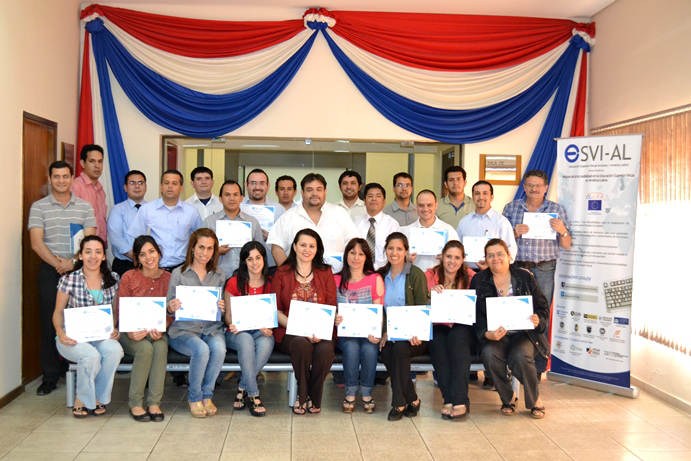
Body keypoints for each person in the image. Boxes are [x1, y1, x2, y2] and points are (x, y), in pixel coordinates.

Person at [29, 161, 97, 396]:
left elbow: (91, 242)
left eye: (65, 176)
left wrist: (73, 262)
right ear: (49, 179)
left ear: (71, 178)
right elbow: (37, 243)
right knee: (50, 323)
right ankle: (50, 376)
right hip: (50, 271)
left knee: (80, 321)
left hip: (80, 270)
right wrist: (59, 264)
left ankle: (77, 370)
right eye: (56, 177)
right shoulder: (39, 207)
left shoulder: (85, 206)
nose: (61, 181)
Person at [503, 170, 571, 379]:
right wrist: (514, 233)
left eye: (538, 185)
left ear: (545, 188)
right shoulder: (511, 208)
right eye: (530, 185)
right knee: (511, 314)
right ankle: (509, 363)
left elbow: (567, 244)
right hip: (517, 269)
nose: (534, 189)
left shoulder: (556, 209)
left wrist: (562, 231)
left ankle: (539, 367)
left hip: (544, 269)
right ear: (524, 187)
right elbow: (500, 242)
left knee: (541, 316)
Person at [471, 239, 550, 419]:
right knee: (489, 354)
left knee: (520, 354)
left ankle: (534, 399)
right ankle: (508, 397)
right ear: (486, 259)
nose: (495, 259)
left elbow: (542, 306)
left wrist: (538, 320)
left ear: (509, 256)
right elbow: (476, 314)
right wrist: (486, 334)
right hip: (496, 335)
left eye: (500, 254)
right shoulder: (479, 280)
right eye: (490, 255)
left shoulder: (525, 276)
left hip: (524, 334)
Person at [53, 236, 124, 417]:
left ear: (103, 256)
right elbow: (58, 312)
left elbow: (114, 311)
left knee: (115, 350)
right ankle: (82, 399)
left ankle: (98, 396)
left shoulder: (114, 279)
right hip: (72, 337)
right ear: (80, 255)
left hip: (101, 336)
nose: (93, 256)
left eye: (98, 252)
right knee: (90, 355)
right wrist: (60, 333)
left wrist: (113, 328)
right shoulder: (69, 279)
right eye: (88, 252)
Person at [272, 229, 338, 414]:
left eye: (311, 246)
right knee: (301, 344)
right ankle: (303, 396)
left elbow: (331, 307)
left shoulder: (325, 272)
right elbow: (276, 311)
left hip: (321, 330)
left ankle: (312, 396)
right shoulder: (282, 272)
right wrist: (300, 329)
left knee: (325, 349)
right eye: (302, 245)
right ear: (294, 247)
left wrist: (319, 330)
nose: (306, 250)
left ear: (317, 250)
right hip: (290, 331)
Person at [166, 228, 227, 418]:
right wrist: (171, 307)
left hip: (211, 328)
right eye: (201, 247)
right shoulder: (179, 273)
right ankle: (194, 397)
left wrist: (222, 307)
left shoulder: (219, 274)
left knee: (219, 349)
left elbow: (222, 312)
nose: (204, 253)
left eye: (210, 248)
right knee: (200, 350)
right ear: (192, 248)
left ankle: (207, 395)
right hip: (183, 331)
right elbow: (167, 307)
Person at [117, 235, 171, 422]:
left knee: (160, 346)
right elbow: (121, 309)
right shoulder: (129, 277)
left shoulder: (168, 279)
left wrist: (164, 325)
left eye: (152, 252)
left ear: (159, 253)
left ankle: (154, 402)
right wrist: (130, 331)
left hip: (156, 332)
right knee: (145, 349)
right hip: (130, 333)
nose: (148, 257)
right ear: (137, 259)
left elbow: (171, 311)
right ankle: (136, 403)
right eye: (142, 254)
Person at [377, 232, 429, 421]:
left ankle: (398, 403)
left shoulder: (416, 274)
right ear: (385, 250)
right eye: (390, 248)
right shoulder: (380, 275)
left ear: (406, 251)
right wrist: (384, 331)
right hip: (390, 333)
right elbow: (379, 309)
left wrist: (415, 332)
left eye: (399, 249)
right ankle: (413, 399)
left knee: (399, 350)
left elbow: (423, 308)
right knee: (386, 352)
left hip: (415, 335)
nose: (394, 252)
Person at [425, 241, 475, 420]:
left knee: (457, 340)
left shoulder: (470, 276)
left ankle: (460, 399)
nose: (452, 261)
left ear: (463, 260)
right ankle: (448, 398)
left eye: (457, 258)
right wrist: (430, 294)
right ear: (441, 256)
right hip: (438, 324)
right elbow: (420, 304)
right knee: (437, 343)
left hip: (462, 325)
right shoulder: (429, 275)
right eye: (448, 257)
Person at [334, 238, 385, 413]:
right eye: (352, 252)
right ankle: (350, 393)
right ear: (346, 255)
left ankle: (366, 393)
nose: (356, 257)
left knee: (370, 349)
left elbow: (378, 310)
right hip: (345, 332)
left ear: (366, 257)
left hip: (368, 332)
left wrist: (375, 331)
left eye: (361, 254)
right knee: (351, 348)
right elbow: (330, 308)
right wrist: (334, 317)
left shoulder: (374, 278)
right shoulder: (335, 279)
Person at [224, 241, 273, 417]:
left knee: (267, 342)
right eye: (249, 259)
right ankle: (253, 394)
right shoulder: (234, 282)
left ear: (264, 259)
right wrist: (234, 324)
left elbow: (272, 315)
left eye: (258, 258)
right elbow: (228, 315)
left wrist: (269, 327)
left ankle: (242, 387)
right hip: (237, 332)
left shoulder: (270, 283)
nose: (254, 263)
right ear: (244, 261)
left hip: (261, 331)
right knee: (245, 339)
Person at [267, 173, 359, 267]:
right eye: (309, 190)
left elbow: (354, 244)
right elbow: (276, 247)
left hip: (336, 277)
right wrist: (288, 274)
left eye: (319, 189)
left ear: (325, 192)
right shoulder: (288, 217)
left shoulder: (340, 213)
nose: (314, 193)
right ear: (302, 193)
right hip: (298, 279)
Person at [128, 169, 202, 272]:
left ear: (181, 188)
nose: (170, 186)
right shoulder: (146, 209)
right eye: (166, 183)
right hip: (153, 268)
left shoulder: (191, 212)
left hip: (182, 268)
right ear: (161, 187)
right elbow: (136, 239)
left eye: (174, 183)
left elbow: (201, 239)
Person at [202, 180, 263, 279]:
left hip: (247, 277)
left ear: (241, 198)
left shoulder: (252, 222)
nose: (231, 198)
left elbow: (260, 253)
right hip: (216, 277)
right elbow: (200, 252)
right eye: (227, 195)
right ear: (220, 198)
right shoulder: (209, 222)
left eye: (235, 194)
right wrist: (215, 251)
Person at [457, 180, 517, 272]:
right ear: (473, 197)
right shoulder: (464, 222)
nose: (481, 197)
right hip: (467, 273)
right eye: (477, 193)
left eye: (485, 193)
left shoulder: (502, 222)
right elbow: (457, 249)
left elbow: (511, 252)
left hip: (494, 272)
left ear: (491, 197)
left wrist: (493, 264)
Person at [401, 190, 460, 272]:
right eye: (421, 205)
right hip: (413, 280)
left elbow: (458, 258)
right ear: (416, 206)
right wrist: (405, 258)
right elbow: (397, 258)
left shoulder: (449, 231)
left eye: (429, 205)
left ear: (436, 205)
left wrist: (447, 257)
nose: (425, 209)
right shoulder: (406, 232)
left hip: (441, 279)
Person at [107, 170, 147, 277]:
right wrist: (137, 257)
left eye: (140, 183)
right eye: (132, 183)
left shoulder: (153, 210)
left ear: (145, 187)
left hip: (149, 265)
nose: (137, 186)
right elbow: (116, 238)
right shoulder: (117, 210)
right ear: (125, 187)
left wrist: (147, 258)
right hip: (124, 265)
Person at [243, 168, 286, 267]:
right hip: (242, 265)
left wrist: (271, 237)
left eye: (262, 183)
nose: (257, 187)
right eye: (253, 183)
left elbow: (287, 241)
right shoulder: (238, 207)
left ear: (268, 186)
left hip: (270, 265)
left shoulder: (279, 210)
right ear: (246, 185)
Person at [353, 183, 400, 270]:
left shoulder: (392, 224)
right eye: (370, 196)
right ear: (364, 201)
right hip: (359, 271)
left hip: (383, 272)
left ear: (384, 201)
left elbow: (392, 251)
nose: (374, 199)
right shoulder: (356, 223)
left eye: (378, 196)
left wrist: (375, 270)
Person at [71, 144, 108, 243]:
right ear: (83, 163)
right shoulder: (76, 187)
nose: (97, 166)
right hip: (83, 249)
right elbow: (73, 223)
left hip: (99, 248)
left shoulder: (100, 190)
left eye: (100, 161)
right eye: (92, 161)